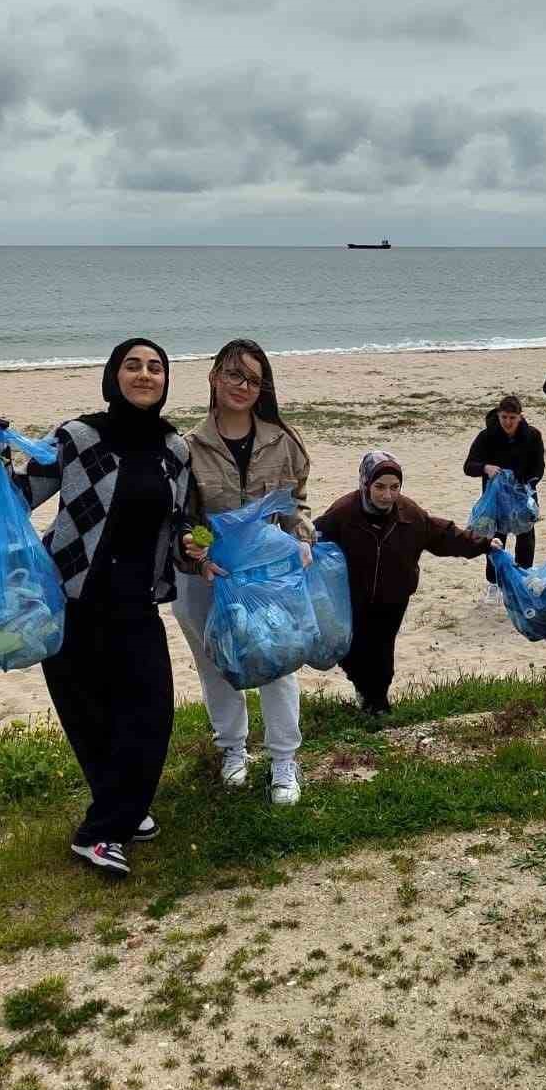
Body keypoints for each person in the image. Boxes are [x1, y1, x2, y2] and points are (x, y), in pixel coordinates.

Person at [0, 338, 192, 877]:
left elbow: (181, 518)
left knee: (151, 710)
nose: (145, 375)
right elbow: (23, 495)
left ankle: (110, 819)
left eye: (155, 367)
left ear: (166, 380)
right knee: (89, 712)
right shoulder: (79, 436)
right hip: (72, 597)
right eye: (133, 365)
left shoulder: (175, 448)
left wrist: (192, 543)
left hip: (138, 599)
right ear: (113, 375)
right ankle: (112, 823)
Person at [175, 339, 312, 804]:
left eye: (253, 380)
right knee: (215, 665)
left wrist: (303, 534)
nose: (243, 386)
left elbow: (295, 506)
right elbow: (181, 518)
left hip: (266, 577)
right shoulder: (186, 448)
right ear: (214, 376)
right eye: (234, 374)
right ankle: (233, 749)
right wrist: (196, 550)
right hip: (203, 579)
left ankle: (284, 761)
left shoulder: (283, 440)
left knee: (276, 664)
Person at [316, 452, 499, 717]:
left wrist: (482, 544)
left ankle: (377, 706)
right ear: (365, 483)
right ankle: (366, 691)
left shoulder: (410, 514)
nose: (387, 495)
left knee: (382, 652)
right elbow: (314, 538)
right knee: (352, 650)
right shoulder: (343, 512)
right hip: (352, 597)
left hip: (394, 597)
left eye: (394, 487)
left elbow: (443, 535)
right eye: (379, 487)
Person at [463, 394, 545, 603]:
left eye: (512, 418)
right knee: (495, 539)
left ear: (520, 417)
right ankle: (494, 583)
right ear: (498, 415)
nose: (508, 422)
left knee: (526, 538)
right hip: (495, 500)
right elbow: (468, 466)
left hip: (523, 496)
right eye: (504, 417)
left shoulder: (533, 435)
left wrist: (524, 482)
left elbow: (539, 467)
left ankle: (523, 579)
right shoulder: (486, 436)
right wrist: (485, 468)